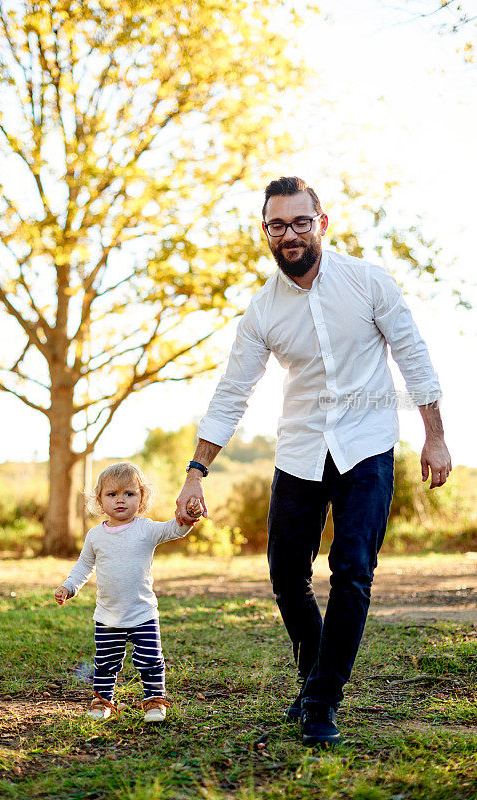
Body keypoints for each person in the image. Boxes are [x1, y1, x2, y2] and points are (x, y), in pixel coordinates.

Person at [176, 176, 451, 746]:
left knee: (352, 569)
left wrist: (435, 436)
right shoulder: (262, 312)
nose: (291, 234)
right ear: (266, 233)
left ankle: (322, 701)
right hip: (300, 450)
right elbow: (233, 391)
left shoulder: (368, 282)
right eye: (278, 225)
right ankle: (313, 678)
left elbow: (413, 356)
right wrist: (195, 471)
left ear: (321, 223)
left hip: (368, 445)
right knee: (284, 575)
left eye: (301, 221)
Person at [55, 461, 202, 723]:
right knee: (106, 663)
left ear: (141, 497)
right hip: (108, 615)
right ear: (100, 501)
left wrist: (189, 517)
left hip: (143, 612)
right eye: (112, 494)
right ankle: (102, 702)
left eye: (129, 494)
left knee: (150, 660)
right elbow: (84, 566)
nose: (120, 500)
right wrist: (69, 587)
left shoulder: (146, 529)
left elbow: (174, 529)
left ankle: (154, 701)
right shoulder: (95, 536)